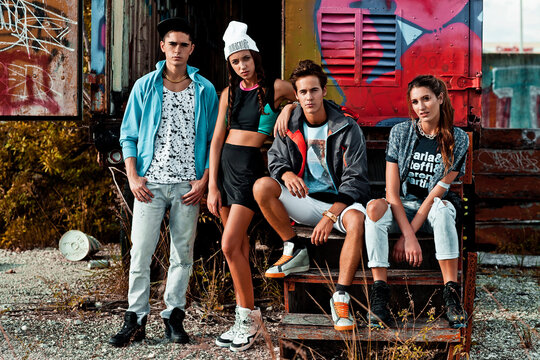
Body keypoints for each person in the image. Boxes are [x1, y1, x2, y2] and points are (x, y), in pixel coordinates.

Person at [110, 18, 218, 347]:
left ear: (191, 50)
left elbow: (215, 139)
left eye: (184, 45)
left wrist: (204, 181)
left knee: (182, 255)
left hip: (188, 186)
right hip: (150, 184)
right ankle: (136, 319)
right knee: (141, 252)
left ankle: (173, 317)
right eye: (172, 44)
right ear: (163, 47)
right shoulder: (146, 86)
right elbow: (127, 136)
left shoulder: (205, 90)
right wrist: (132, 176)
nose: (178, 50)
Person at [253, 60, 370, 331]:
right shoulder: (289, 123)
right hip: (305, 200)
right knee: (262, 187)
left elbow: (357, 181)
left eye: (314, 91)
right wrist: (287, 175)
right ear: (296, 95)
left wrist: (331, 215)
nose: (309, 97)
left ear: (324, 91)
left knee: (357, 222)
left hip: (340, 204)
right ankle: (294, 248)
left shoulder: (346, 127)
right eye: (303, 92)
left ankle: (340, 296)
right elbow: (275, 160)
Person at [207, 21, 296, 352]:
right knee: (238, 248)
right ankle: (245, 318)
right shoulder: (228, 94)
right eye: (235, 61)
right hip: (226, 171)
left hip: (249, 171)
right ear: (230, 65)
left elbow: (314, 99)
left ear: (256, 57)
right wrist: (212, 185)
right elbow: (217, 139)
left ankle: (249, 319)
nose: (242, 66)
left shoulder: (276, 87)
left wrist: (288, 108)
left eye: (246, 58)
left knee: (229, 245)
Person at [364, 74, 469, 329]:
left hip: (431, 211)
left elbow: (435, 195)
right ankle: (379, 296)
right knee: (373, 211)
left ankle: (451, 295)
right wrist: (407, 234)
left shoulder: (458, 139)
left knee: (444, 209)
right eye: (415, 101)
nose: (420, 107)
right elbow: (392, 192)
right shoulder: (400, 132)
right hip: (401, 207)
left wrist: (407, 235)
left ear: (440, 98)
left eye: (426, 99)